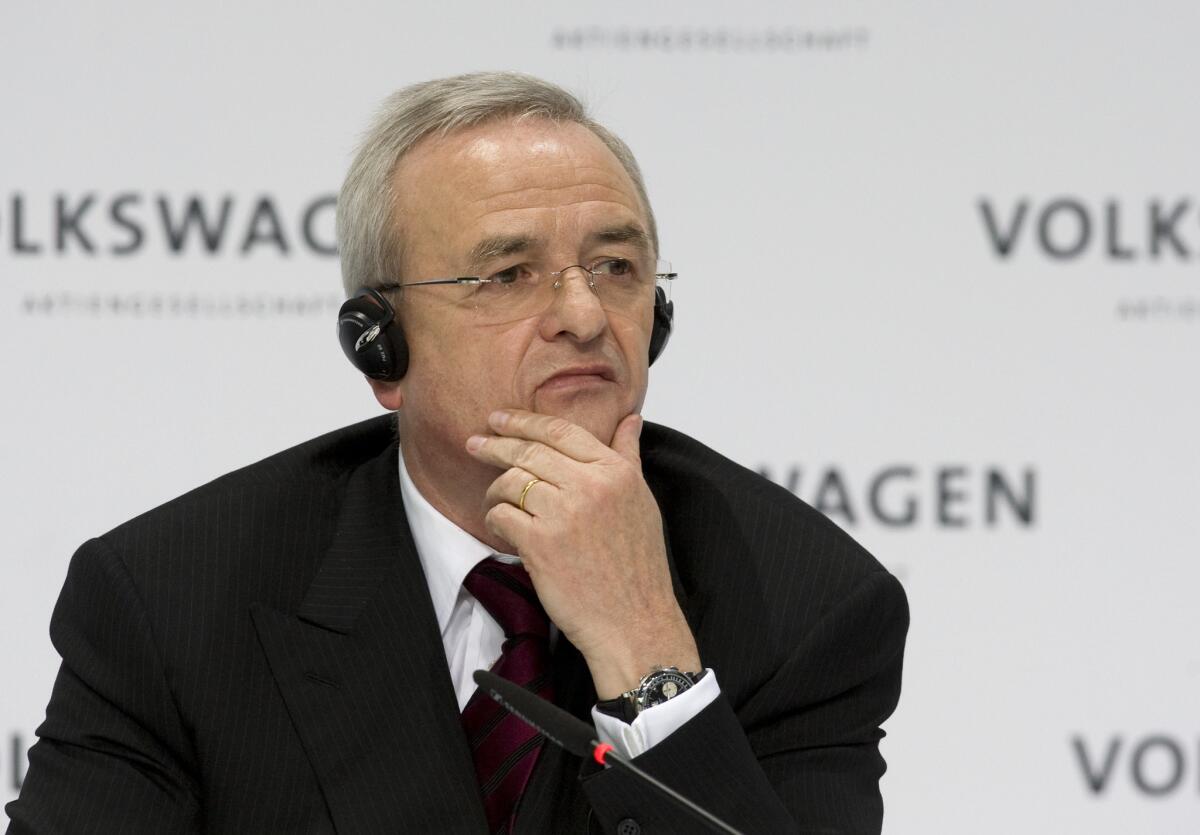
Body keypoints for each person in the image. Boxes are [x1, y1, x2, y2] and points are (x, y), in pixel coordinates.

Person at [7, 72, 908, 834]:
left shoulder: (809, 607)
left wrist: (648, 656)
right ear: (381, 348)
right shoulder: (173, 600)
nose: (586, 316)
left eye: (617, 269)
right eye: (507, 275)